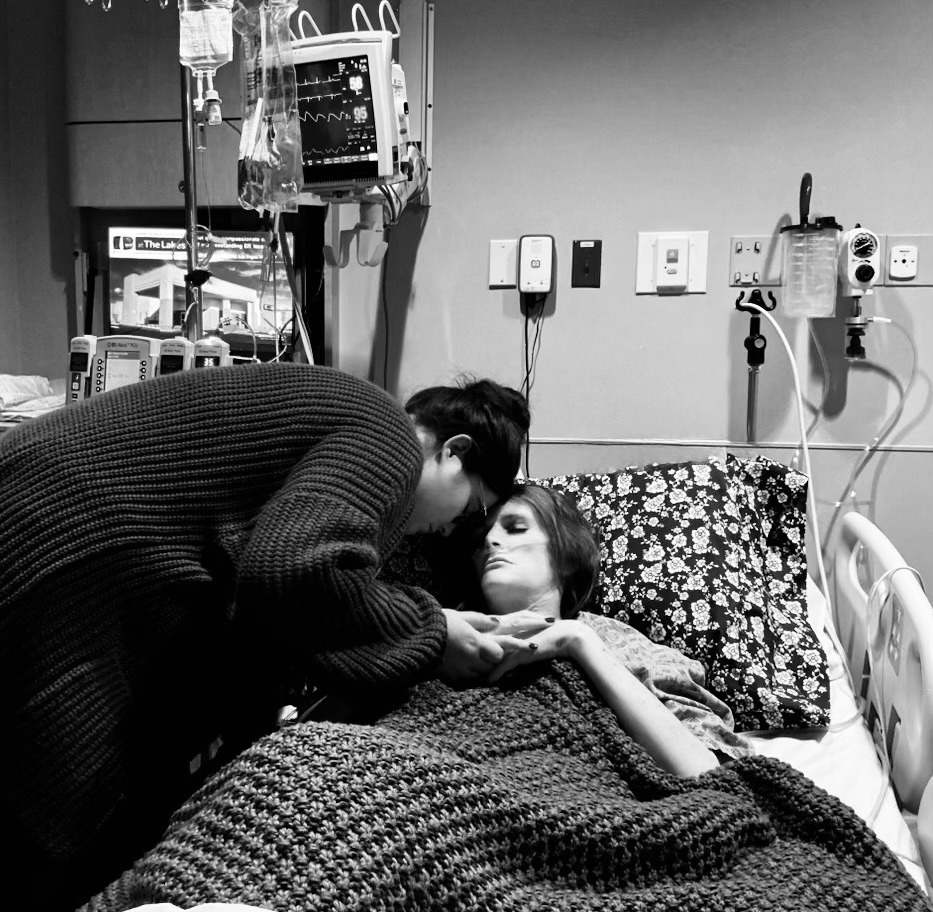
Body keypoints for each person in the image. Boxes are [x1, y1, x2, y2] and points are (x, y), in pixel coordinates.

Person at [0, 361, 531, 910]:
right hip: (54, 540)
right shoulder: (391, 436)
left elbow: (258, 601)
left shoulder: (340, 424)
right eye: (471, 508)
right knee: (54, 826)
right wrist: (434, 630)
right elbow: (296, 573)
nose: (451, 529)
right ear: (453, 451)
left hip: (51, 524)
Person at [466, 482, 723, 777]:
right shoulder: (449, 642)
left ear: (565, 555)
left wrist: (578, 641)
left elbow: (704, 774)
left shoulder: (619, 643)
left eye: (516, 528)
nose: (490, 541)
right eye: (479, 539)